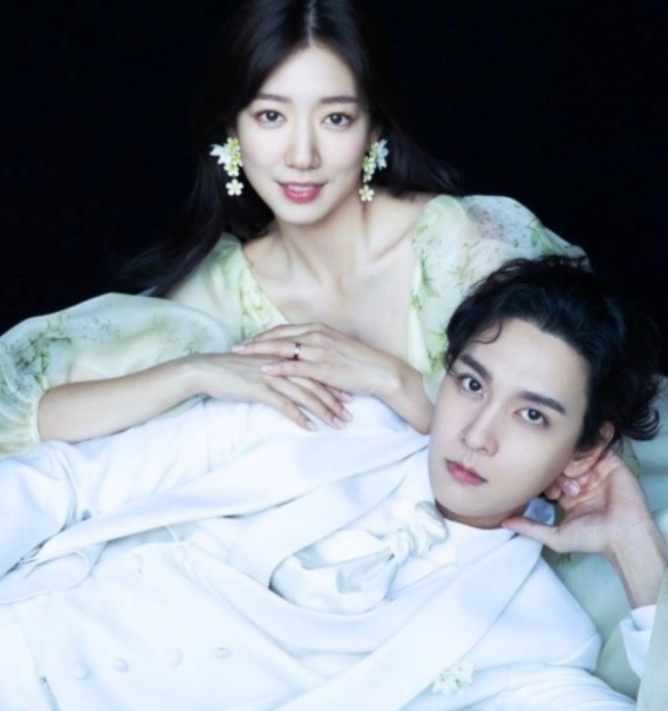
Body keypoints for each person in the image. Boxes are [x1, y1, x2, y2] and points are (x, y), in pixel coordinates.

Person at [1, 256, 665, 711]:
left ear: (588, 448)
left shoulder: (538, 636)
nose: (476, 435)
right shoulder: (322, 413)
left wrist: (637, 546)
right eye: (471, 383)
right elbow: (63, 481)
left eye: (532, 416)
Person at [0, 0, 585, 459]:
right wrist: (191, 373)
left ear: (374, 133)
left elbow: (565, 429)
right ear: (232, 133)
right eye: (271, 116)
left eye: (335, 118)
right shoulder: (222, 292)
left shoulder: (466, 245)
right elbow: (24, 417)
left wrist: (398, 383)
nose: (301, 155)